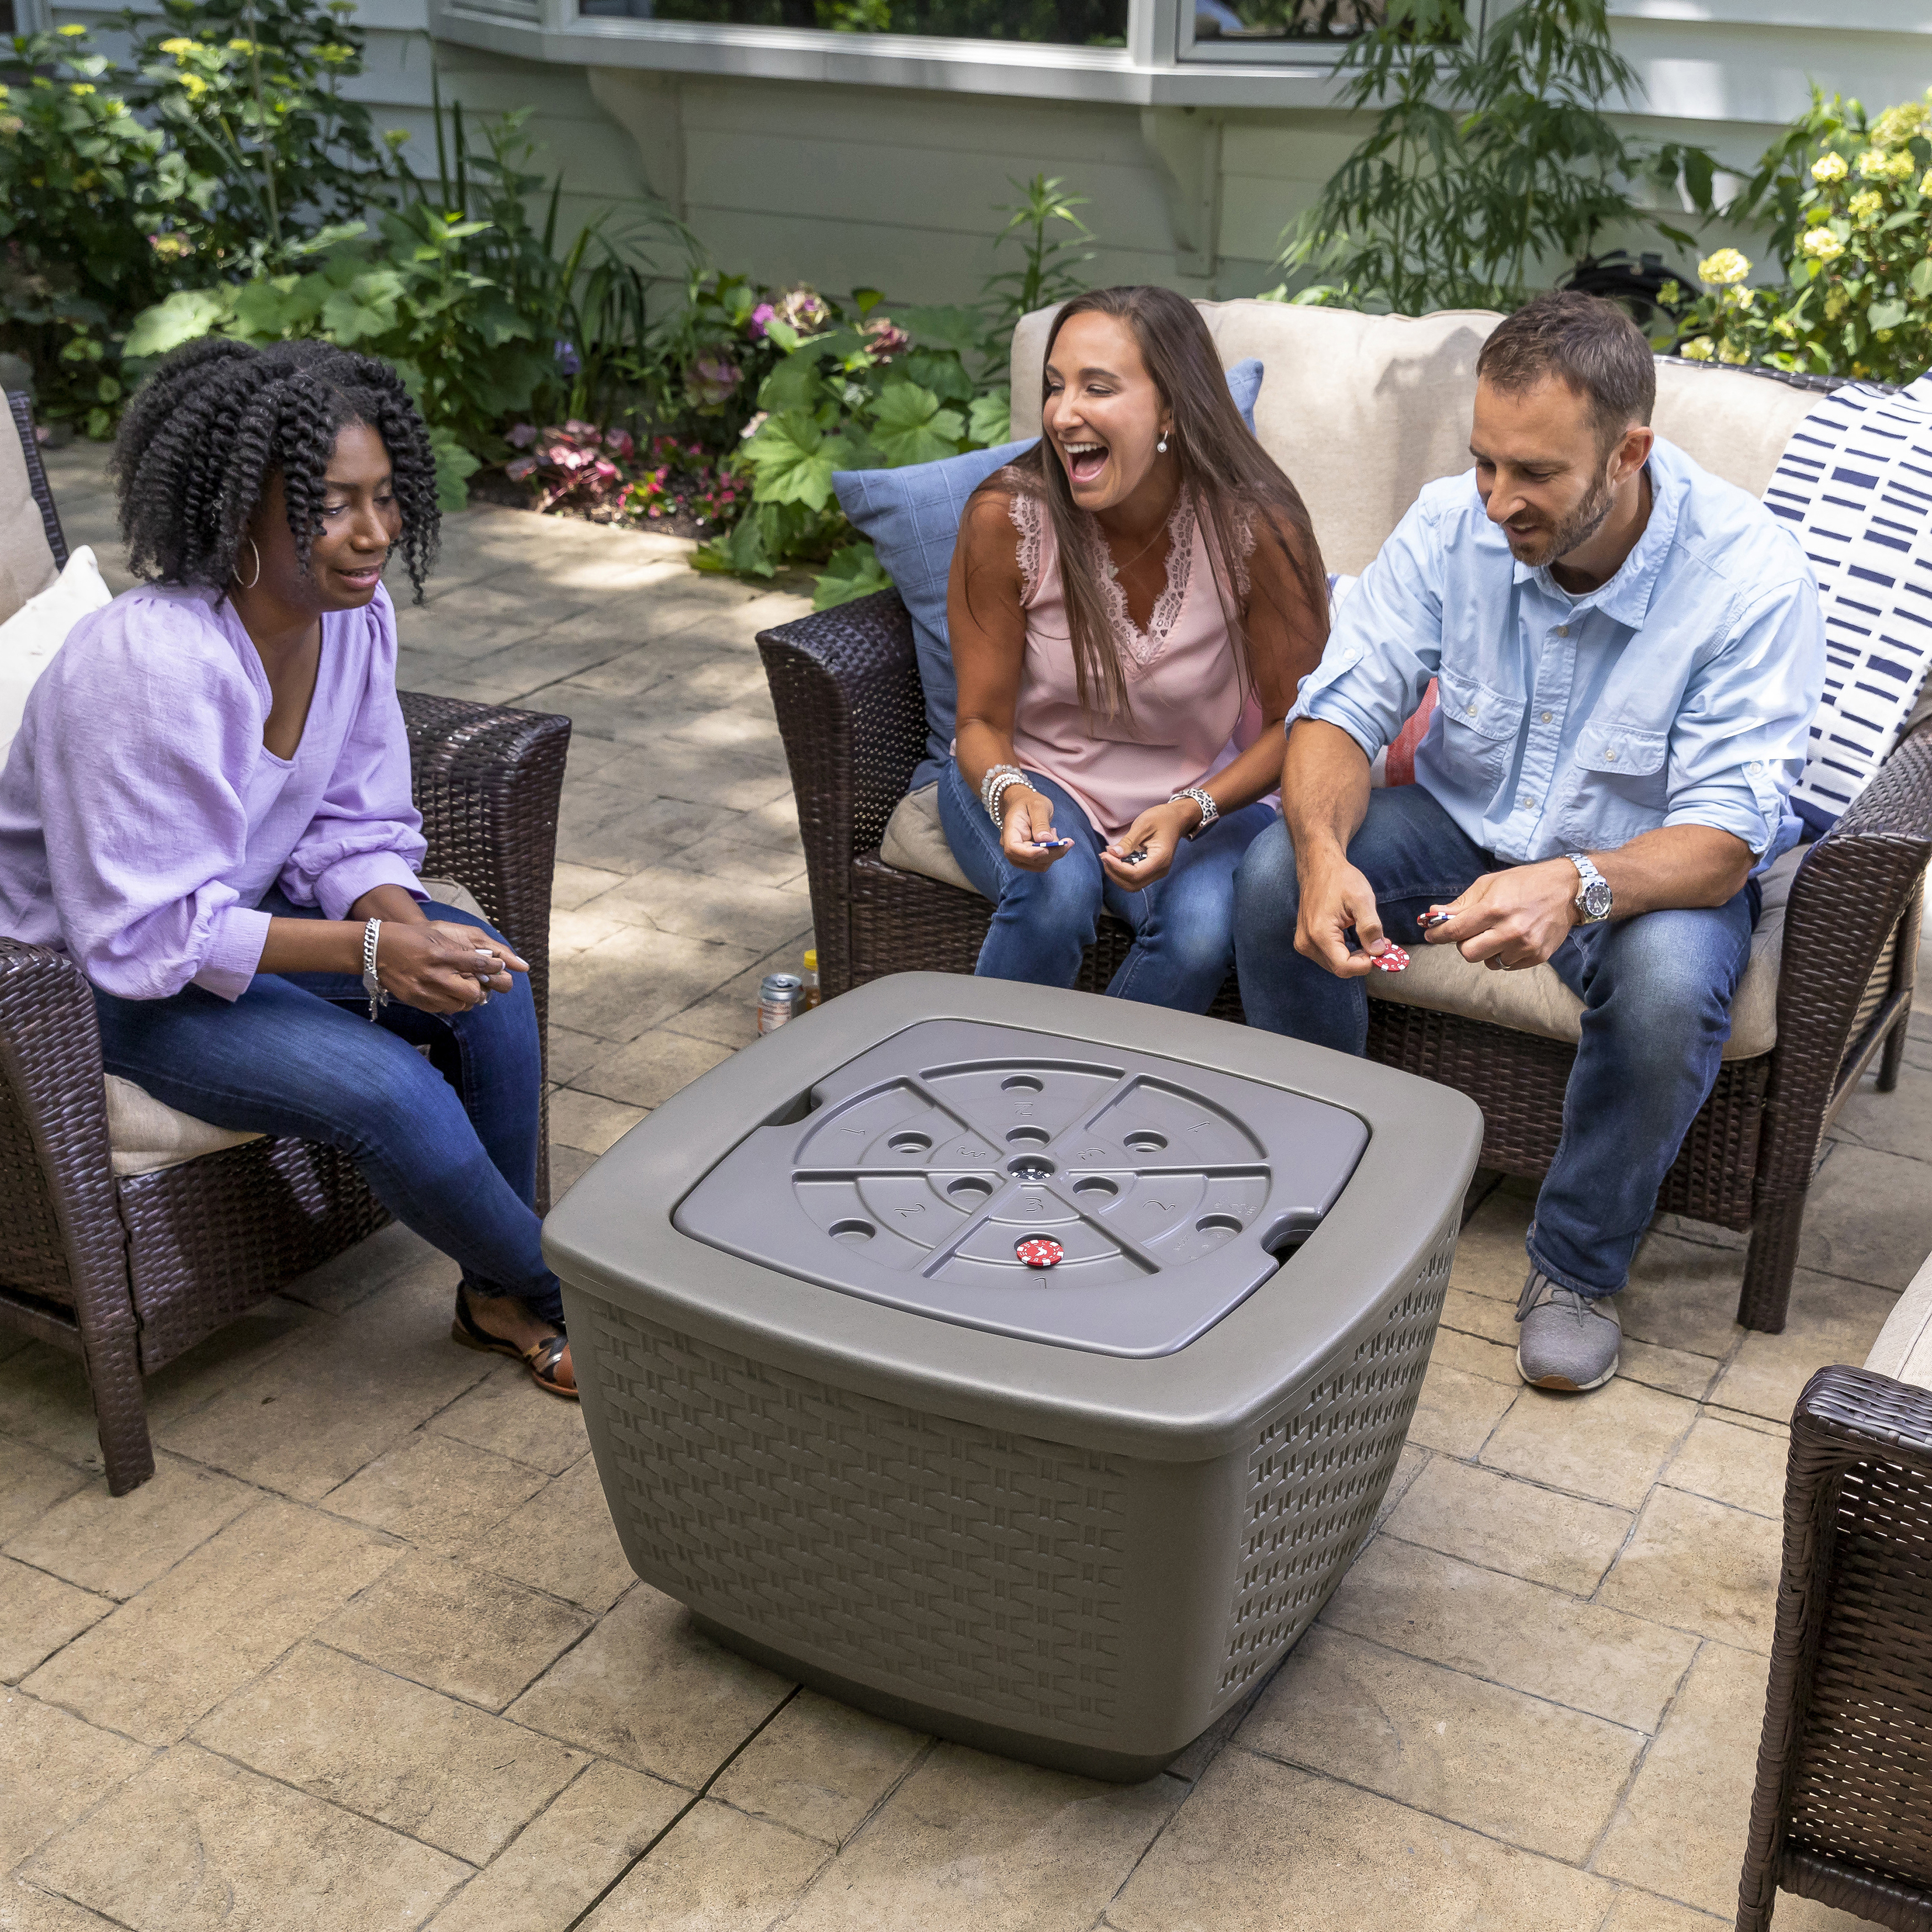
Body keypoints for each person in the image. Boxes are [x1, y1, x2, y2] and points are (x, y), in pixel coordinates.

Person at [1234, 290, 1824, 1394]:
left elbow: (1726, 842)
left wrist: (1576, 885)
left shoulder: (1748, 581)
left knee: (1664, 991)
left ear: (1628, 451)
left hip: (1647, 871)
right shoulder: (1449, 524)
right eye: (1485, 462)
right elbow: (1339, 712)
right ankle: (1328, 1184)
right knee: (1273, 874)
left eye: (1537, 475)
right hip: (1464, 827)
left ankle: (1574, 1269)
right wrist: (1322, 854)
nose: (1500, 499)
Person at [0, 337, 577, 1399]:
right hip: (81, 983)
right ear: (237, 510)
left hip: (224, 922)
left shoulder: (350, 621)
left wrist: (413, 933)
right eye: (330, 504)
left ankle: (498, 1292)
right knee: (391, 1092)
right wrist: (370, 949)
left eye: (386, 497)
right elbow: (141, 939)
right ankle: (589, 1298)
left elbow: (351, 821)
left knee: (487, 984)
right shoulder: (147, 667)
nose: (373, 535)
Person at [940, 285, 1329, 1011]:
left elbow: (1302, 720)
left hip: (1196, 789)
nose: (1063, 414)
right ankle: (987, 1089)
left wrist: (1191, 809)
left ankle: (1097, 1108)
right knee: (1058, 893)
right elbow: (979, 725)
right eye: (1055, 387)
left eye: (1098, 388)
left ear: (1173, 410)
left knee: (1203, 931)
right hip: (1028, 772)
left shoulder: (1258, 529)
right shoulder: (1007, 516)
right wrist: (1013, 791)